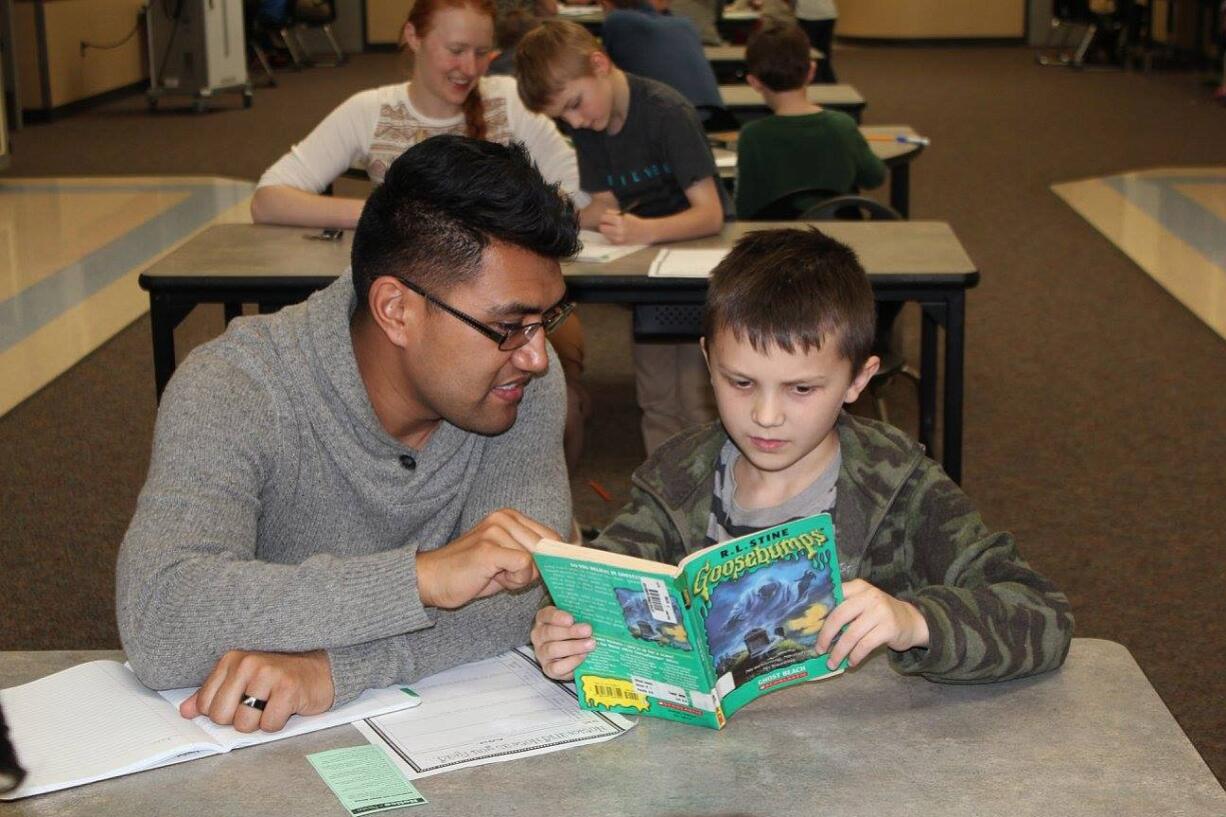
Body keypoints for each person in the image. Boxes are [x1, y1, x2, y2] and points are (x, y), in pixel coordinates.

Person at [117, 136, 581, 733]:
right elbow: (160, 619)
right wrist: (421, 578)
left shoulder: (520, 383)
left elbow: (516, 605)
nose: (538, 355)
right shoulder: (237, 386)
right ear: (396, 310)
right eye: (509, 325)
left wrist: (331, 670)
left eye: (548, 319)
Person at [531, 228, 1074, 684]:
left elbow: (1043, 615)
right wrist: (566, 629)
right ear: (707, 361)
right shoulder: (676, 481)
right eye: (740, 381)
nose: (766, 416)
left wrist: (915, 620)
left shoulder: (902, 489)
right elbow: (602, 587)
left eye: (801, 390)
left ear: (858, 380)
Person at [252, 0, 592, 473]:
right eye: (455, 50)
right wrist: (389, 215)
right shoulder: (371, 111)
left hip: (511, 306)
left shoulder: (509, 103)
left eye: (482, 53)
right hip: (416, 305)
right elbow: (270, 197)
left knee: (558, 402)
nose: (468, 68)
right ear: (413, 37)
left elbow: (574, 195)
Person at [516, 20, 730, 453]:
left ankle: (710, 502)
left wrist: (644, 229)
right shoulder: (590, 128)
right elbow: (604, 206)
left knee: (698, 399)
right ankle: (668, 498)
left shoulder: (668, 113)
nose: (577, 121)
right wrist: (556, 218)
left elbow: (711, 214)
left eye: (576, 104)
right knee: (654, 398)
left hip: (698, 277)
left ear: (600, 64)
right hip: (647, 277)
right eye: (564, 118)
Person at [734, 21, 884, 219]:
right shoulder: (842, 125)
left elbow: (745, 208)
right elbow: (874, 177)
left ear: (753, 82)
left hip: (780, 243)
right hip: (839, 239)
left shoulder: (752, 135)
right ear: (812, 71)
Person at [598, 0, 722, 114]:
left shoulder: (617, 21)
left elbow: (604, 71)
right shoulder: (686, 24)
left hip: (671, 119)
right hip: (715, 114)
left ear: (605, 3)